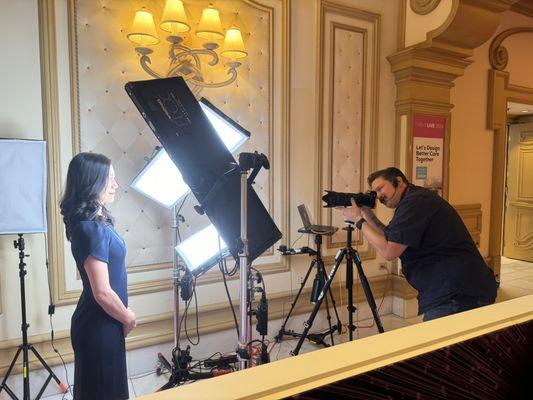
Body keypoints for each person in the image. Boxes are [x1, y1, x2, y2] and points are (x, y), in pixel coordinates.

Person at [341, 167, 497, 322]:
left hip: (456, 292)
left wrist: (358, 220)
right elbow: (390, 237)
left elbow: (389, 251)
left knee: (439, 345)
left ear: (398, 181)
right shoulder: (413, 200)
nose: (379, 196)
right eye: (375, 192)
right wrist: (368, 215)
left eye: (380, 188)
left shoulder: (415, 202)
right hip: (453, 288)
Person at [60, 152, 135, 399]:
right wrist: (127, 317)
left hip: (105, 323)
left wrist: (120, 317)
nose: (115, 185)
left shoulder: (95, 222)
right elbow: (102, 292)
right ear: (92, 182)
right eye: (110, 179)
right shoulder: (90, 228)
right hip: (99, 326)